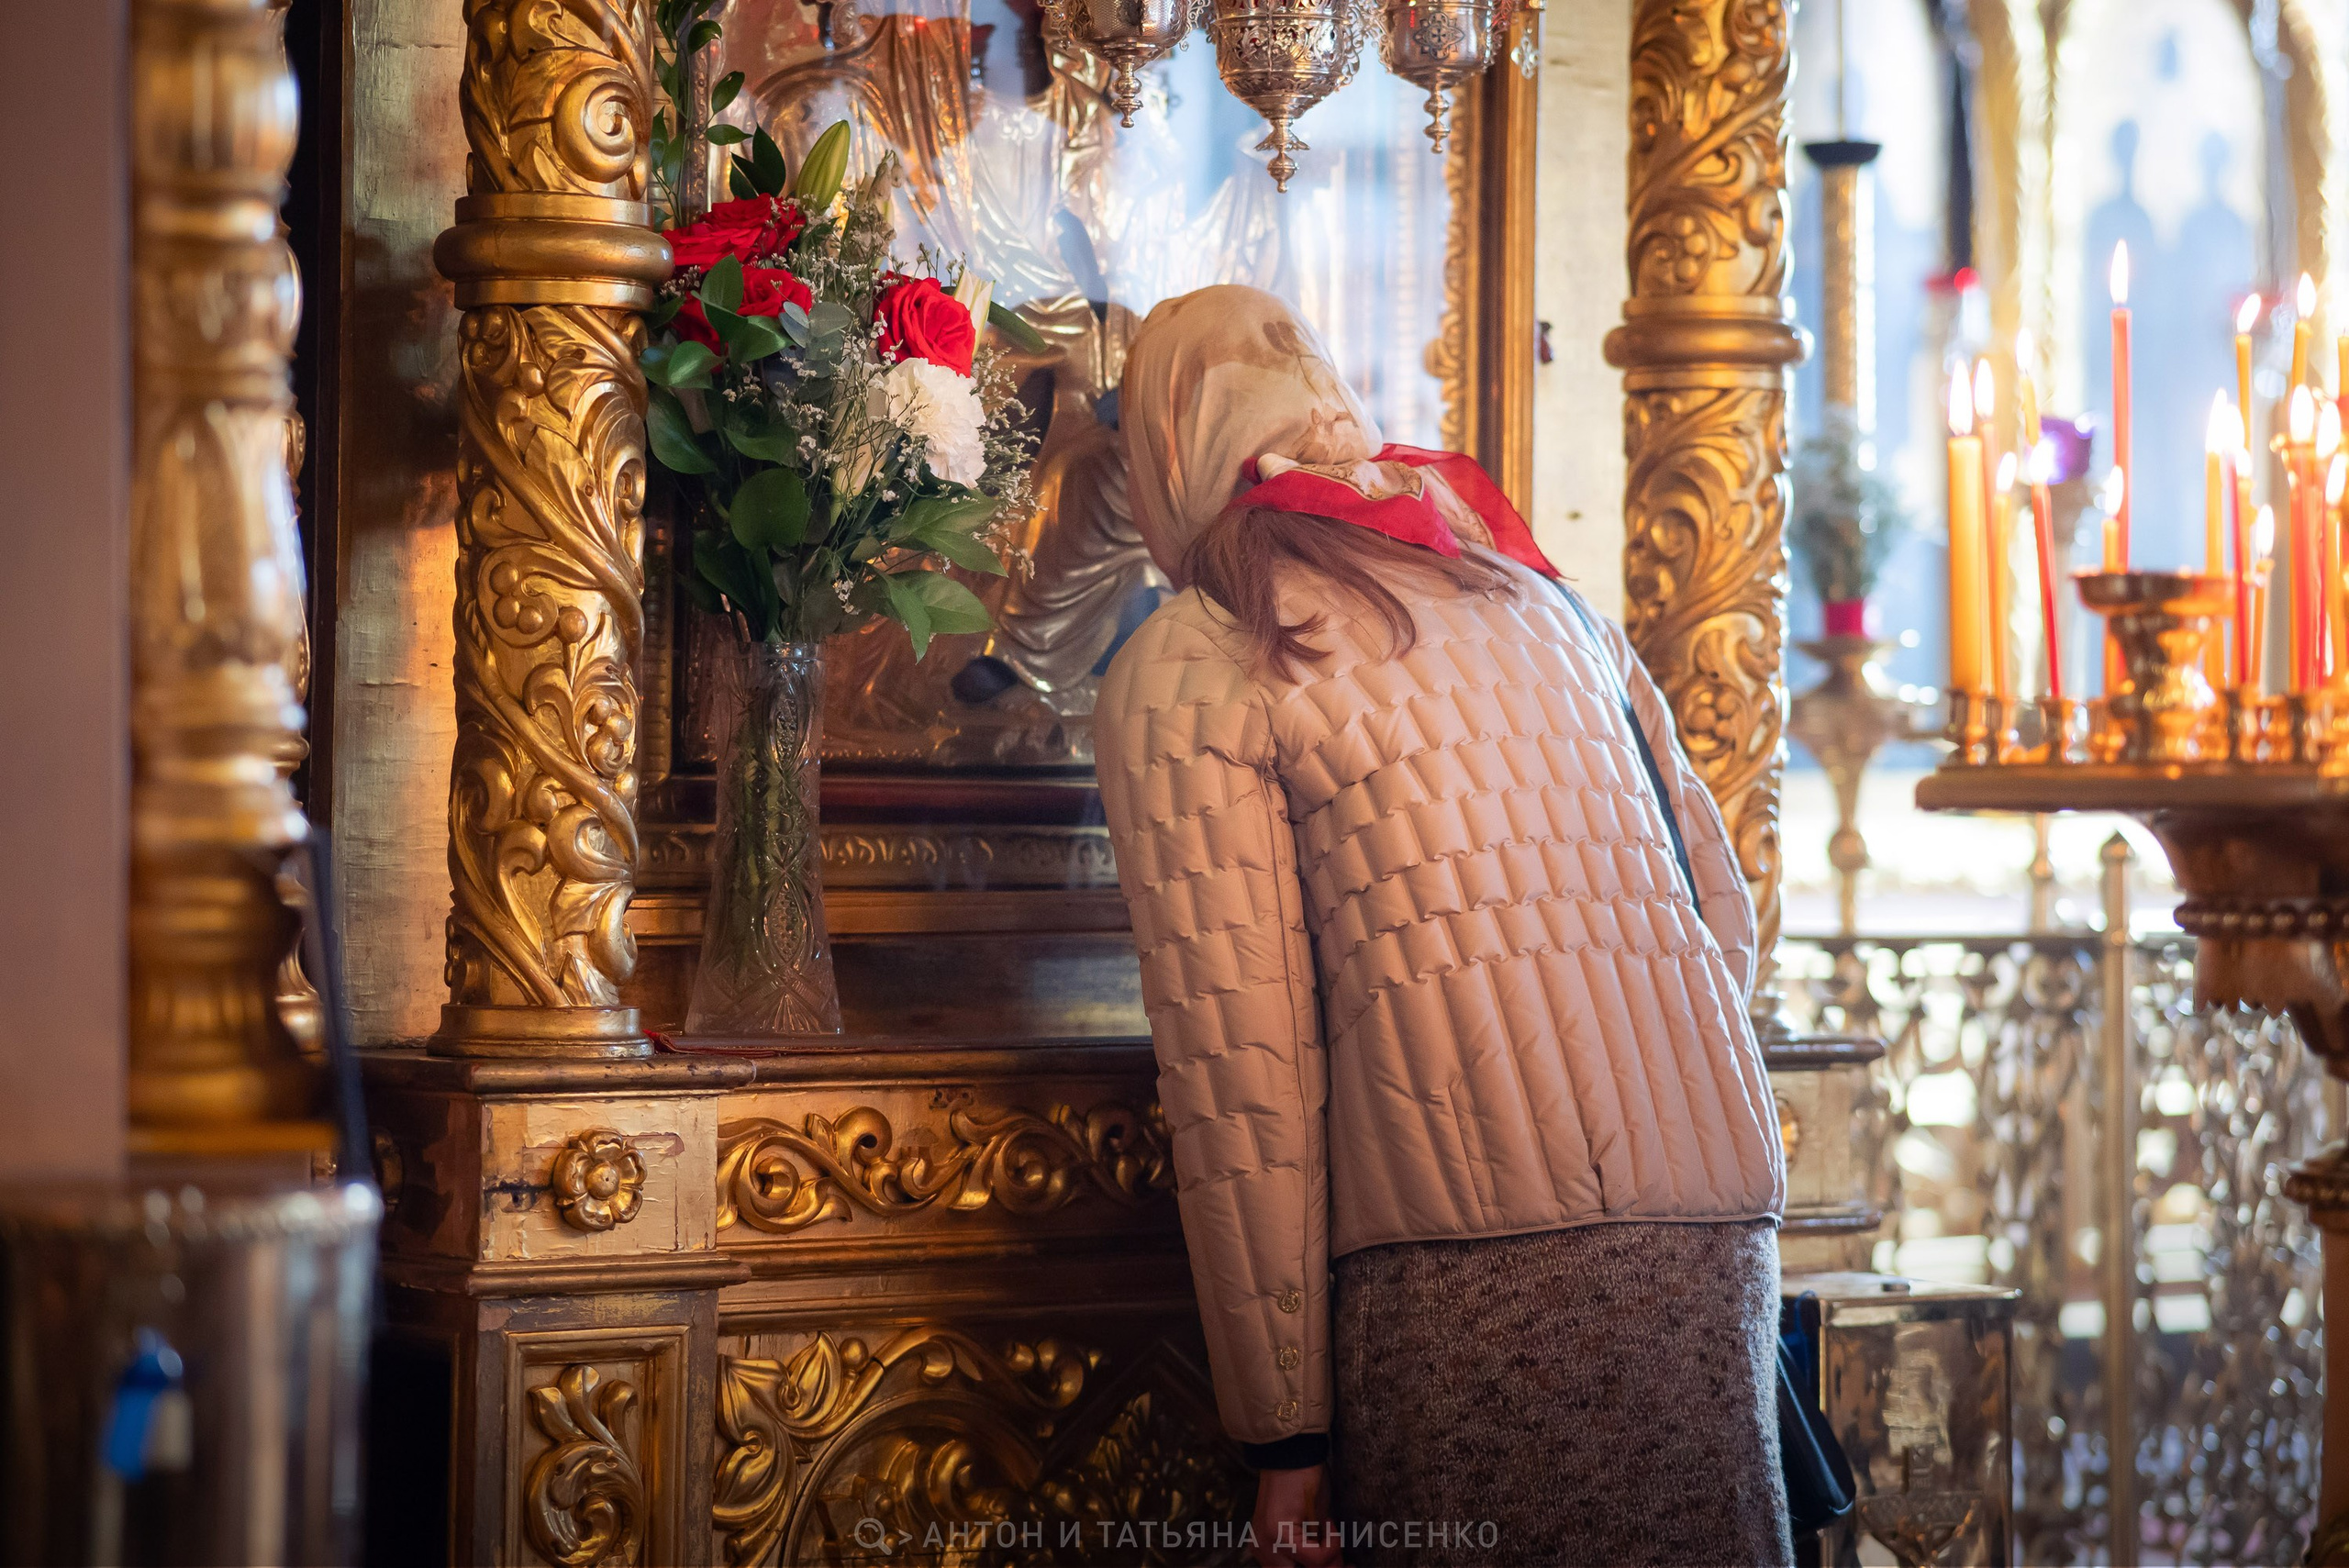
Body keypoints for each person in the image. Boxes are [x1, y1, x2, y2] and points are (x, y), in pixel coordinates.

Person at [1093, 285, 1790, 1568]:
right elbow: (1722, 917)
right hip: (1714, 1231)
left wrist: (1285, 1442)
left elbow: (1246, 1077)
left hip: (1463, 1274)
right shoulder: (1539, 595)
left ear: (1163, 453)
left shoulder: (1198, 656)